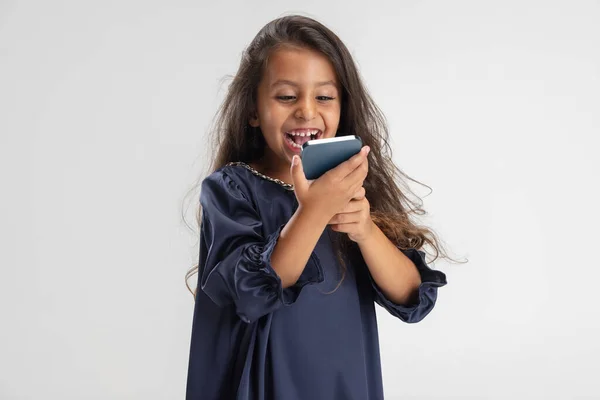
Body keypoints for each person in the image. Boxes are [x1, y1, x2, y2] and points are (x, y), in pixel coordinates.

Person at [185, 14, 449, 400]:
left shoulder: (353, 185)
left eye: (324, 96)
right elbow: (251, 292)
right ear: (253, 110)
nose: (307, 111)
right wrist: (314, 211)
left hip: (344, 382)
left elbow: (412, 297)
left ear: (343, 107)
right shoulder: (232, 188)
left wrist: (364, 229)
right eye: (286, 96)